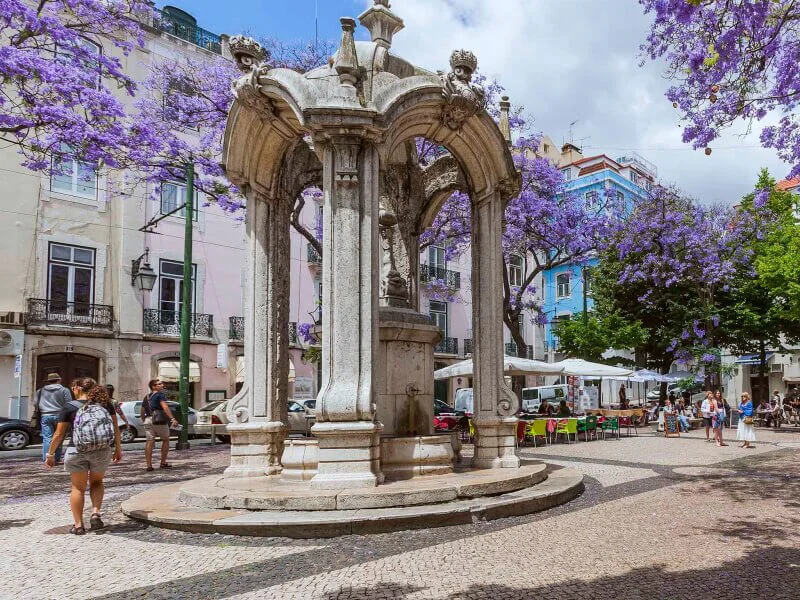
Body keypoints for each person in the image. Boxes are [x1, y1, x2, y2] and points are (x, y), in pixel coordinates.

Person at [44, 378, 122, 535]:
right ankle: (95, 513)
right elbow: (115, 428)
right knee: (97, 482)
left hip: (76, 450)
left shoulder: (69, 407)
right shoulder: (105, 405)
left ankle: (78, 525)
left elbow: (59, 434)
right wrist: (118, 449)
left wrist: (50, 454)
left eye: (73, 387)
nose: (73, 390)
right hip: (101, 450)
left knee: (77, 488)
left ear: (78, 388)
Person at [142, 379, 179, 472]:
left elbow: (142, 411)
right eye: (159, 384)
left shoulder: (146, 397)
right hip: (158, 420)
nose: (162, 385)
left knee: (149, 442)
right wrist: (172, 418)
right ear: (153, 387)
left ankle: (149, 465)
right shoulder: (160, 395)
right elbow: (165, 407)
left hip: (148, 420)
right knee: (166, 439)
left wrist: (145, 420)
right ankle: (163, 462)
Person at [35, 373, 72, 464]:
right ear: (59, 380)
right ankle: (56, 458)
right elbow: (69, 403)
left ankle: (46, 458)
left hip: (45, 416)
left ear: (48, 381)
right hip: (61, 416)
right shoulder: (64, 390)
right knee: (59, 437)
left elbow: (36, 404)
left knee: (47, 438)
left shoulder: (40, 391)